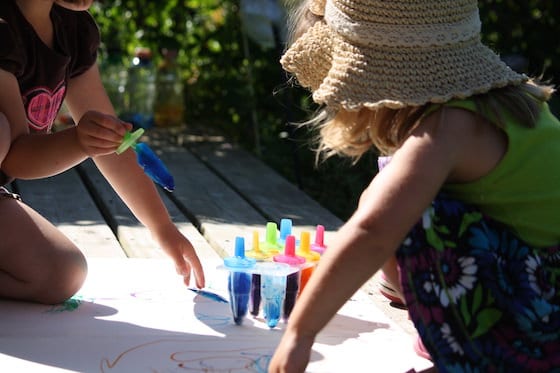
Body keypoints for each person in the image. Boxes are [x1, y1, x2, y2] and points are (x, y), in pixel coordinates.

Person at [269, 0, 560, 372]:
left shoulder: (447, 130)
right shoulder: (509, 104)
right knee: (392, 187)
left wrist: (300, 333)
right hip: (541, 289)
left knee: (393, 207)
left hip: (543, 322)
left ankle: (481, 353)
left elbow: (372, 231)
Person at [0, 0, 205, 305]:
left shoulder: (71, 28)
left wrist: (162, 227)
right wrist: (79, 142)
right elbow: (16, 157)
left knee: (62, 273)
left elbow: (114, 147)